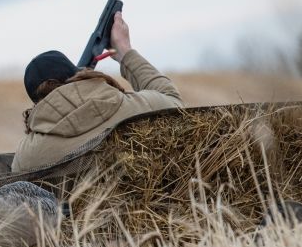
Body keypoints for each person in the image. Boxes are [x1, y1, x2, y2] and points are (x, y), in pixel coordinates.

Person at [13, 14, 183, 172]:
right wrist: (125, 51)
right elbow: (173, 101)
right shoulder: (135, 107)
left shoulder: (26, 159)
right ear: (79, 76)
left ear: (37, 104)